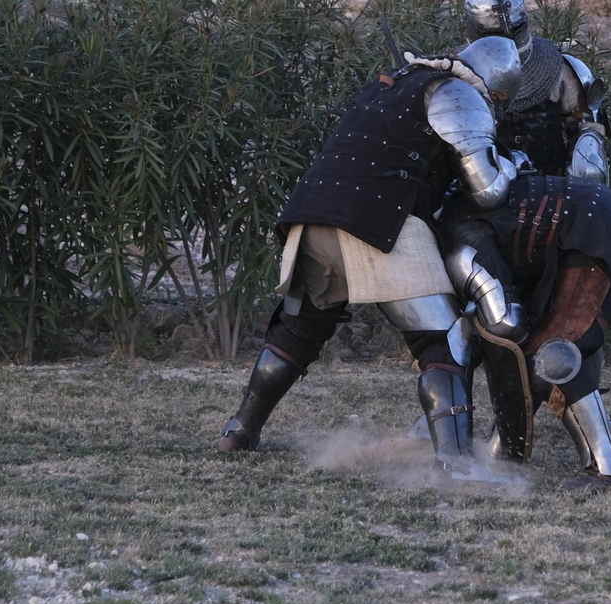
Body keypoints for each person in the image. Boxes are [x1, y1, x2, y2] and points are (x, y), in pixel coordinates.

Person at [215, 36, 522, 474]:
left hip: (313, 213)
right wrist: (512, 163)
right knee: (445, 338)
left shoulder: (391, 84)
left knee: (297, 332)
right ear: (495, 89)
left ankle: (238, 430)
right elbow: (488, 190)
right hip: (378, 219)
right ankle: (455, 462)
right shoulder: (458, 94)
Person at [441, 173, 611, 493]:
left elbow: (504, 326)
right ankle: (592, 441)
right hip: (597, 226)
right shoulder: (461, 216)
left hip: (595, 227)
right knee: (540, 357)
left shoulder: (460, 228)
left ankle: (607, 468)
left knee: (551, 356)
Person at [462, 0, 609, 184]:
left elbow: (587, 124)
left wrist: (584, 168)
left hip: (550, 186)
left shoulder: (558, 67)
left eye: (514, 31)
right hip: (479, 186)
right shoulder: (456, 72)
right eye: (495, 35)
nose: (508, 42)